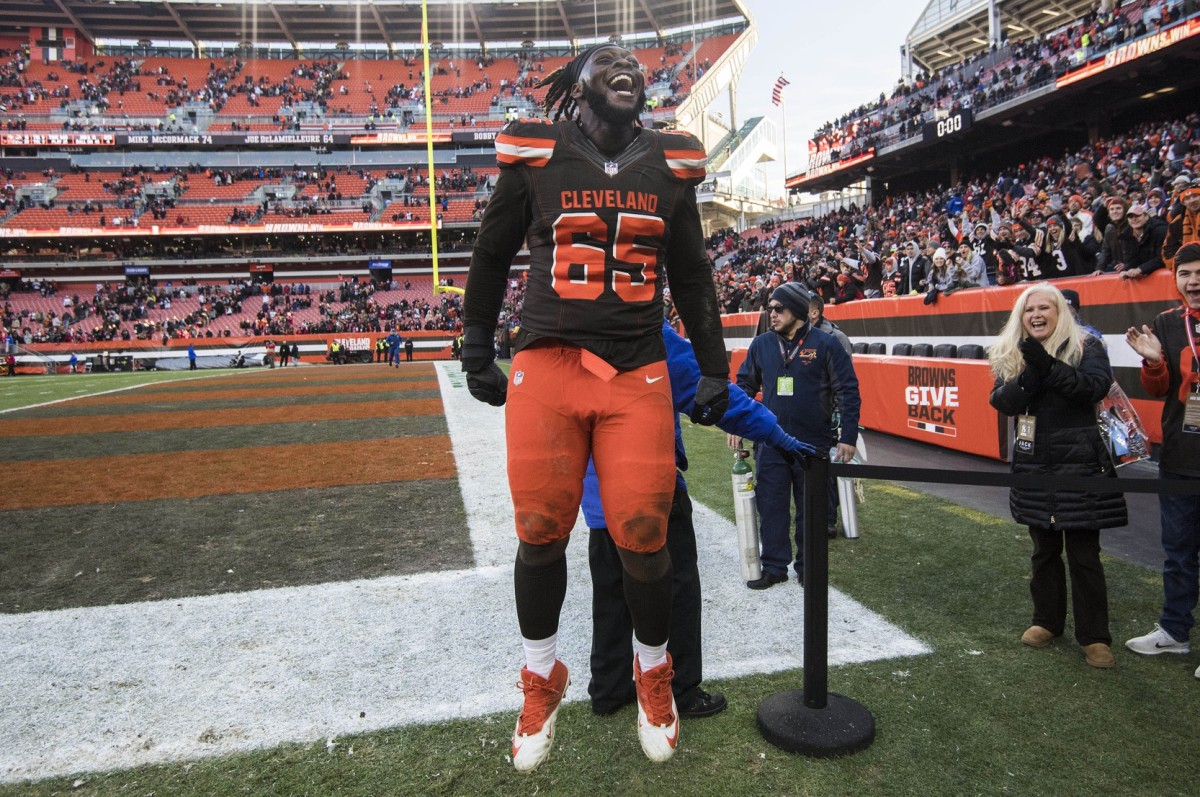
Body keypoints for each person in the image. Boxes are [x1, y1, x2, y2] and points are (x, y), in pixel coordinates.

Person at [460, 42, 729, 772]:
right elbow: (492, 252)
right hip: (548, 360)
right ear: (577, 86)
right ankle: (541, 674)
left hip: (634, 369)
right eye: (608, 62)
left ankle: (654, 672)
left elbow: (694, 276)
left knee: (644, 530)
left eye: (635, 66)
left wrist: (715, 366)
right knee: (540, 527)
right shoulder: (540, 152)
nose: (627, 69)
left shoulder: (670, 164)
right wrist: (475, 338)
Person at [583, 319, 815, 719]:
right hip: (652, 492)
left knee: (611, 593)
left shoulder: (567, 329)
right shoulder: (646, 334)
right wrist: (777, 435)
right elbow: (713, 397)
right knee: (675, 592)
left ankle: (608, 688)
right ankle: (681, 689)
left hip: (598, 496)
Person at [988, 284, 1127, 669]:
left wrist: (1049, 367)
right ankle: (1047, 621)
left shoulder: (1087, 346)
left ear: (1059, 312)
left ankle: (1095, 637)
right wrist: (1031, 374)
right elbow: (1001, 401)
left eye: (1044, 307)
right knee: (1043, 551)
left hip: (1080, 463)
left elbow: (1093, 388)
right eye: (1029, 308)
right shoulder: (1012, 351)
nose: (1036, 314)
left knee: (1084, 555)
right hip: (1034, 465)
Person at [733, 282, 861, 589]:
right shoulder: (762, 344)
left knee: (812, 511)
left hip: (813, 442)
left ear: (798, 311)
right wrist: (736, 424)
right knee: (771, 505)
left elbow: (847, 390)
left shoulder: (827, 344)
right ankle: (775, 566)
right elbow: (744, 386)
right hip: (771, 441)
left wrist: (849, 435)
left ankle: (809, 566)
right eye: (769, 309)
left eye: (779, 309)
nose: (772, 314)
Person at [1124, 243, 1200, 678]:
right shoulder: (1168, 325)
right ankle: (1175, 631)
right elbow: (1158, 389)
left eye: (1199, 272)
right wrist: (1153, 363)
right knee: (1177, 553)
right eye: (1185, 273)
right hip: (1180, 454)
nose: (1193, 281)